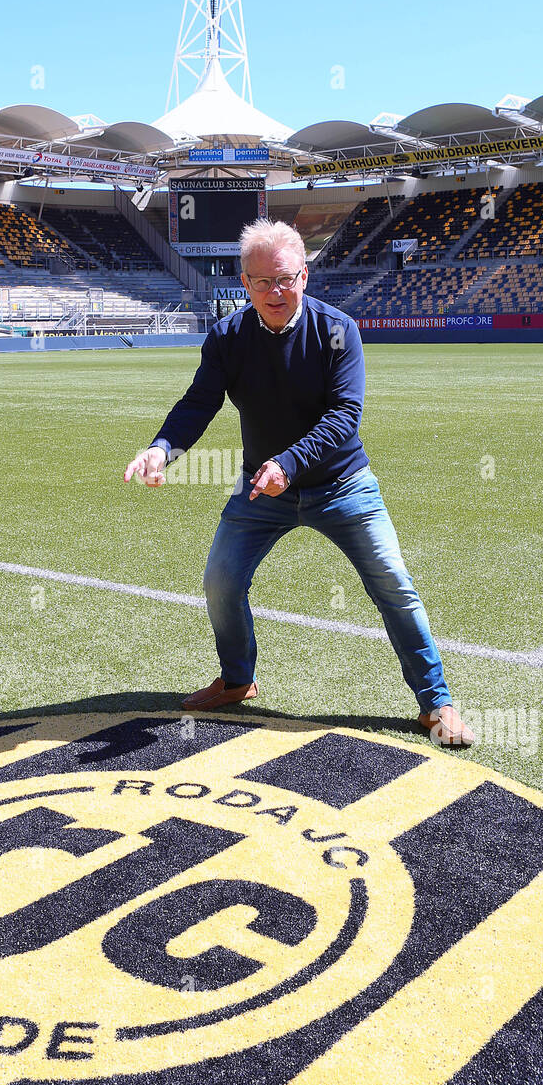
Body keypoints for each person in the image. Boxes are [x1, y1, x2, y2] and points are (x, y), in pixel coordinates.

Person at [123, 218, 474, 747]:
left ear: (305, 276)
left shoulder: (339, 331)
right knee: (220, 582)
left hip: (343, 485)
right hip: (261, 492)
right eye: (262, 282)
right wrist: (162, 448)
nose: (275, 292)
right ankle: (238, 680)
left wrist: (288, 462)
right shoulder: (227, 337)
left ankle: (436, 702)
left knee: (393, 586)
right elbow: (199, 403)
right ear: (245, 284)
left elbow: (344, 416)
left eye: (285, 278)